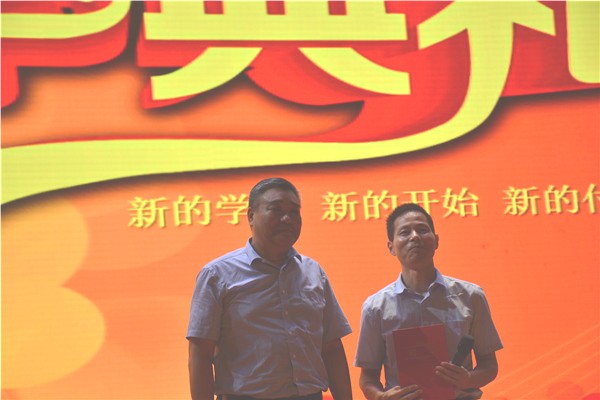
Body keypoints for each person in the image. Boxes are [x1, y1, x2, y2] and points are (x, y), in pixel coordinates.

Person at [187, 177, 353, 400]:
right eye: (276, 210)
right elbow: (201, 353)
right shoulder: (217, 274)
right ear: (251, 216)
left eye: (294, 212)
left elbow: (331, 348)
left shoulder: (313, 272)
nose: (287, 219)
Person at [354, 203, 503, 400]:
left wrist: (468, 379)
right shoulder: (375, 308)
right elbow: (367, 378)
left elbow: (489, 365)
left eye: (422, 230)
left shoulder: (471, 296)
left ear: (436, 241)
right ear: (391, 247)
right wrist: (380, 397)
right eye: (405, 232)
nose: (415, 237)